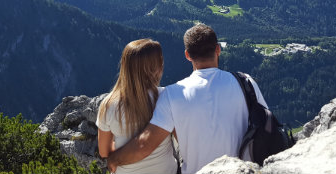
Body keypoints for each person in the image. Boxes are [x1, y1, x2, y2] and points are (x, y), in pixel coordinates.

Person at [107, 24, 268, 174]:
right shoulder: (246, 82)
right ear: (218, 49)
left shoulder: (171, 94)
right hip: (243, 170)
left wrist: (114, 158)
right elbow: (267, 125)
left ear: (187, 55)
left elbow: (144, 146)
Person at [96, 38, 177, 174]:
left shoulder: (109, 104)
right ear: (158, 68)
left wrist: (123, 151)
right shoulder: (166, 97)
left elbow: (104, 151)